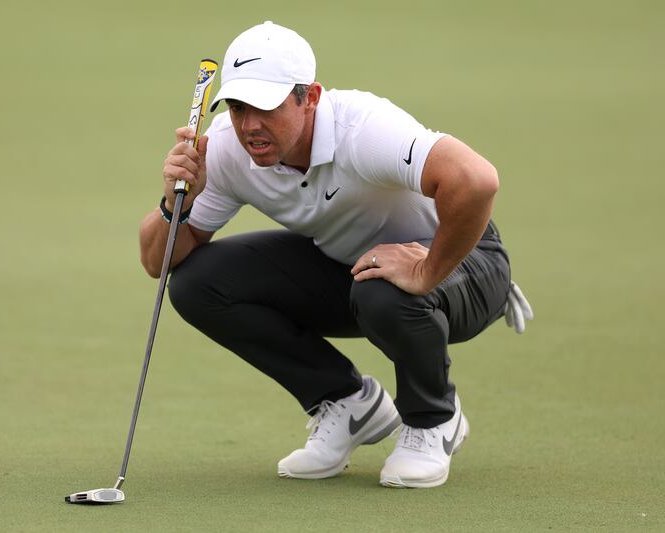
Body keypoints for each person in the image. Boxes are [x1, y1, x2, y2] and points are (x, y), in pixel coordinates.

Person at [139, 21, 532, 488]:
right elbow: (157, 261)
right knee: (197, 283)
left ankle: (432, 420)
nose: (249, 125)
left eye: (266, 106)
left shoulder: (361, 128)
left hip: (466, 263)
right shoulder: (225, 149)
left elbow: (476, 180)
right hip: (354, 266)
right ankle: (348, 404)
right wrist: (173, 204)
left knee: (386, 293)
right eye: (239, 107)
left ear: (310, 97)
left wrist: (428, 269)